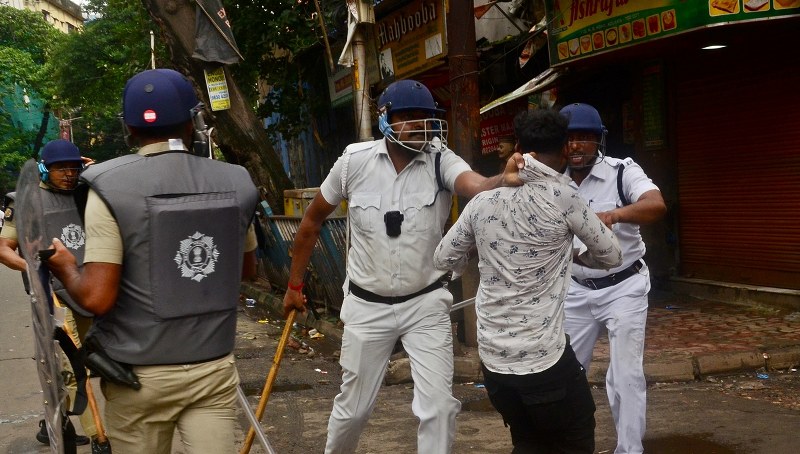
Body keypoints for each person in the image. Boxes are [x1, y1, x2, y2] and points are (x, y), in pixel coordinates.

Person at [282, 79, 524, 454]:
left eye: (424, 117)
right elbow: (312, 222)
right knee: (353, 412)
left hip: (425, 303)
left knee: (439, 408)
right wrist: (294, 286)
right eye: (407, 117)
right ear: (386, 119)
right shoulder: (353, 162)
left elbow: (474, 185)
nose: (418, 125)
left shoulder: (441, 159)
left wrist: (500, 180)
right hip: (366, 306)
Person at [46, 68, 260, 454]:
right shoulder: (238, 182)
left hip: (139, 377)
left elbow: (96, 298)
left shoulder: (107, 186)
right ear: (193, 122)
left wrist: (64, 267)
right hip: (212, 367)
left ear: (128, 128)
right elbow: (246, 270)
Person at [433, 109, 623, 453]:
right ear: (564, 149)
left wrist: (482, 251)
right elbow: (611, 256)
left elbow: (443, 259)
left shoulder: (481, 203)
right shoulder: (566, 198)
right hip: (544, 361)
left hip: (494, 365)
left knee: (526, 441)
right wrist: (574, 255)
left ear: (518, 148)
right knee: (574, 441)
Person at [559, 103, 666, 454]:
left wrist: (615, 215)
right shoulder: (550, 179)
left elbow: (655, 204)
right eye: (570, 138)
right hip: (575, 288)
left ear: (598, 140)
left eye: (585, 137)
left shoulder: (622, 171)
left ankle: (629, 450)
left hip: (624, 286)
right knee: (567, 372)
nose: (577, 145)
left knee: (625, 375)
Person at [0, 139, 105, 451]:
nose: (69, 174)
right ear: (44, 169)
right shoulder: (25, 201)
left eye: (74, 167)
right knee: (71, 365)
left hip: (88, 290)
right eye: (61, 168)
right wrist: (35, 270)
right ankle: (99, 436)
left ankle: (53, 424)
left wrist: (93, 171)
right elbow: (4, 249)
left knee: (94, 358)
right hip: (52, 297)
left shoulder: (86, 194)